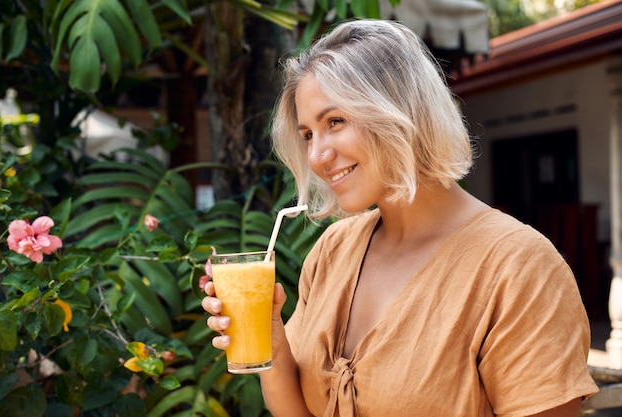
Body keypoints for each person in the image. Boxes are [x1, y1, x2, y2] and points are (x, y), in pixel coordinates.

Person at [202, 19, 598, 417]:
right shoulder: (332, 251)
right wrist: (269, 338)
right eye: (307, 135)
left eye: (335, 122)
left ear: (398, 111)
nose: (317, 157)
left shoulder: (518, 268)